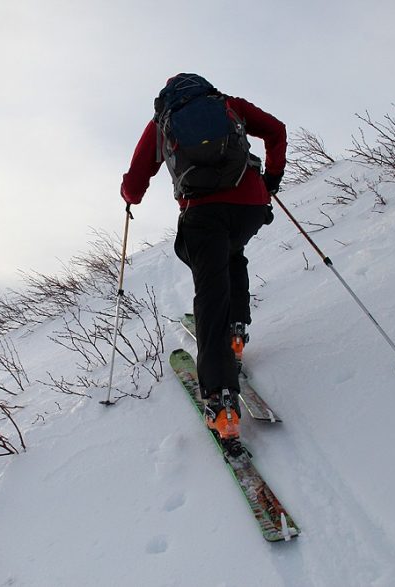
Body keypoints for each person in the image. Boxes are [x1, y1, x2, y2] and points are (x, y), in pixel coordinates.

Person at [120, 73, 286, 443]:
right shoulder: (229, 106)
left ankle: (221, 401)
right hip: (250, 207)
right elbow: (276, 130)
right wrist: (271, 178)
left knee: (210, 294)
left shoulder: (162, 124)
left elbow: (135, 181)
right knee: (232, 252)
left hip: (203, 214)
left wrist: (129, 198)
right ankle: (237, 330)